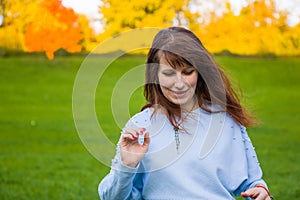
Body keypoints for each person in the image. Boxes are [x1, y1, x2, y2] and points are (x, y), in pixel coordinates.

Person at [98, 27, 272, 200]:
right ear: (155, 74)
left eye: (188, 72)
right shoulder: (140, 127)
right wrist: (127, 165)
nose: (179, 84)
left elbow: (252, 182)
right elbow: (112, 197)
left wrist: (260, 190)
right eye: (168, 73)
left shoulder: (225, 120)